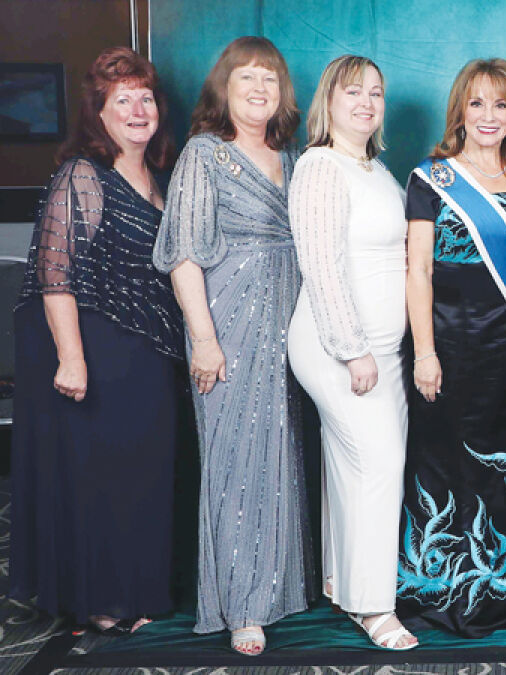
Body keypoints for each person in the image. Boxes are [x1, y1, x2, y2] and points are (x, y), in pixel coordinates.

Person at [10, 46, 183, 636]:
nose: (138, 109)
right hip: (95, 348)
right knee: (101, 479)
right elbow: (53, 273)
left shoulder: (159, 176)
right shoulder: (83, 174)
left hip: (146, 349)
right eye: (122, 100)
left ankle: (138, 589)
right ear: (100, 115)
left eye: (145, 97)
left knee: (143, 471)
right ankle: (102, 599)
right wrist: (73, 359)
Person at [398, 58, 506, 639]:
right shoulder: (432, 178)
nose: (489, 116)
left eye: (500, 104)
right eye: (477, 104)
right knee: (449, 460)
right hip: (449, 344)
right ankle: (448, 585)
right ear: (460, 112)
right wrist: (424, 351)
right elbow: (417, 269)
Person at [153, 36, 311, 655]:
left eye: (269, 80)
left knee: (280, 459)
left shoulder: (291, 157)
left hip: (288, 328)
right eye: (246, 78)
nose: (259, 89)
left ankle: (281, 591)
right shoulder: (204, 155)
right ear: (223, 88)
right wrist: (204, 340)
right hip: (229, 326)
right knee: (234, 461)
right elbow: (183, 257)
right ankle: (240, 604)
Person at [287, 55, 416, 651]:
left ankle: (343, 584)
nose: (366, 102)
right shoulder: (319, 167)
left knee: (353, 468)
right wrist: (352, 350)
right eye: (352, 91)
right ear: (329, 101)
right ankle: (374, 608)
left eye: (376, 93)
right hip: (339, 346)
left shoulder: (377, 170)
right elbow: (322, 267)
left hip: (384, 349)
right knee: (379, 465)